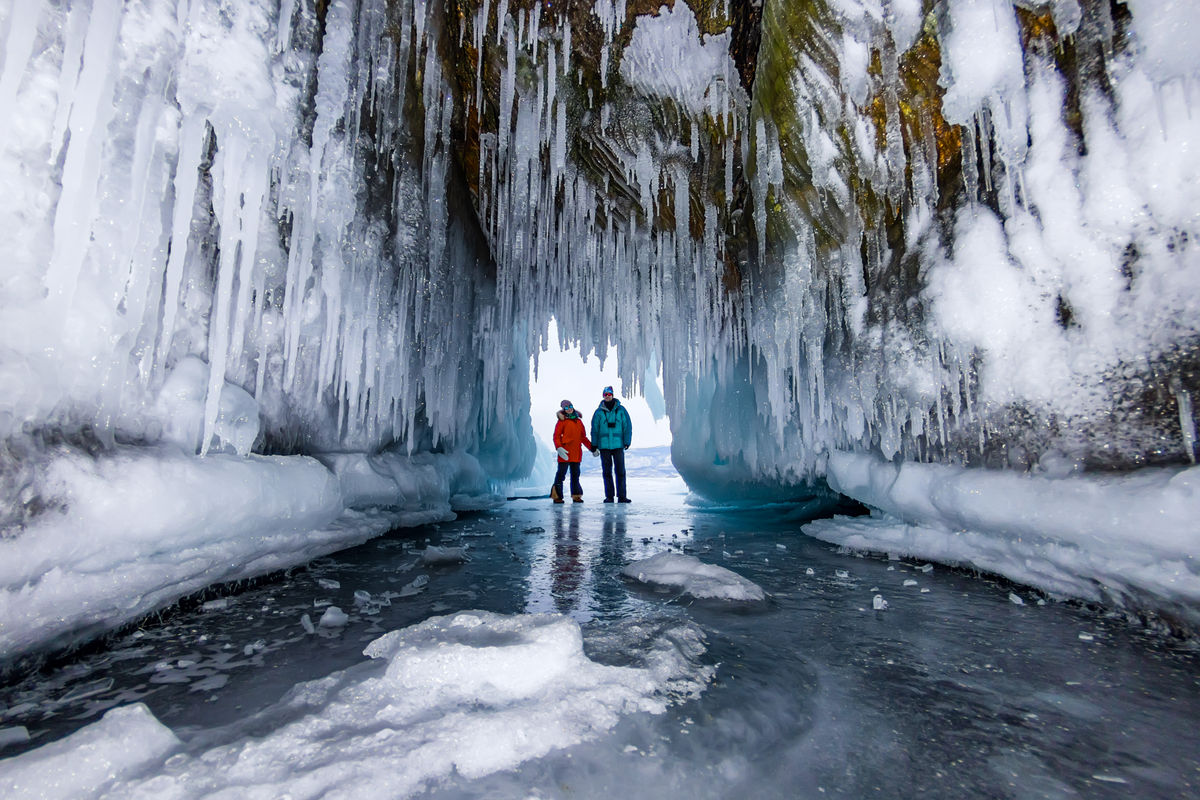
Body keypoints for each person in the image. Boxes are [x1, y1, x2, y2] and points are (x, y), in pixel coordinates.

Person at [590, 385, 632, 503]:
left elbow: (627, 426)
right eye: (605, 394)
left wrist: (627, 441)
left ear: (612, 395)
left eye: (609, 394)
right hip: (604, 446)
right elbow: (595, 429)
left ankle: (622, 496)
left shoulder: (621, 410)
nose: (607, 396)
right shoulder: (598, 412)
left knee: (620, 471)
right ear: (603, 396)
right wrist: (594, 445)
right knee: (607, 472)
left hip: (618, 445)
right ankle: (609, 496)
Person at [552, 400, 594, 503]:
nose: (569, 408)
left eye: (570, 406)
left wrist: (592, 448)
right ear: (563, 409)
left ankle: (576, 495)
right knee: (561, 475)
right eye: (566, 407)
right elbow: (556, 436)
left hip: (576, 453)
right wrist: (559, 448)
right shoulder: (561, 421)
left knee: (575, 475)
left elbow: (583, 438)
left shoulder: (579, 421)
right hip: (565, 453)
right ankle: (557, 496)